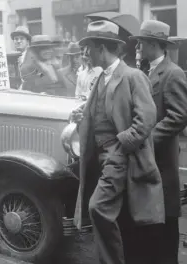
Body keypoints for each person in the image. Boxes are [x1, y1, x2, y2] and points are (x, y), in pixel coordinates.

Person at [71, 20, 165, 264]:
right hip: (100, 157)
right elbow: (100, 113)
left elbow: (147, 119)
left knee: (97, 208)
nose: (85, 54)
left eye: (88, 48)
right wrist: (82, 117)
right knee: (112, 215)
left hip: (119, 157)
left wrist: (122, 144)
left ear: (102, 48)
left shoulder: (133, 77)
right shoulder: (100, 78)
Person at [129, 20, 187, 264]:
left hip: (161, 161)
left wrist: (146, 139)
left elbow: (179, 116)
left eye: (142, 42)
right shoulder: (144, 71)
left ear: (154, 44)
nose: (139, 46)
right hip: (147, 162)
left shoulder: (172, 73)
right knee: (149, 223)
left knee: (165, 224)